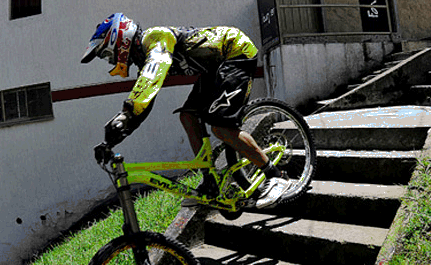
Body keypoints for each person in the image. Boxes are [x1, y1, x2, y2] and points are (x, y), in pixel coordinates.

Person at [81, 13, 290, 209]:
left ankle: (276, 175)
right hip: (214, 67)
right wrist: (112, 139)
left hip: (236, 53)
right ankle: (210, 181)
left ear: (121, 40)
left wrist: (126, 114)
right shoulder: (146, 58)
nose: (111, 61)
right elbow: (146, 100)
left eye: (108, 54)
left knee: (221, 128)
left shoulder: (155, 38)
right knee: (188, 117)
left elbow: (149, 81)